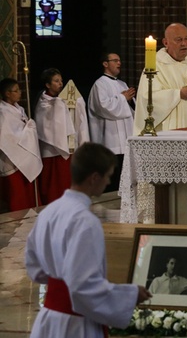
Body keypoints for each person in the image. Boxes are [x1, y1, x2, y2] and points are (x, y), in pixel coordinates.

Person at [25, 142, 152, 337]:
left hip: (48, 320)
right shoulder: (85, 222)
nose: (108, 182)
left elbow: (33, 266)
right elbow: (83, 287)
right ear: (94, 178)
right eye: (108, 176)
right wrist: (131, 294)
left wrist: (59, 284)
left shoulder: (48, 212)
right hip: (75, 325)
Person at [133, 23, 187, 134]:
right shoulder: (155, 67)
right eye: (179, 40)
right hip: (173, 129)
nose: (184, 44)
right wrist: (178, 94)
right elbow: (147, 98)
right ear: (166, 43)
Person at [34, 68, 89, 204]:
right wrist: (59, 105)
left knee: (63, 179)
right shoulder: (43, 101)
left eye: (61, 81)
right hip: (49, 147)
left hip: (65, 145)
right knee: (50, 181)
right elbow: (43, 123)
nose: (60, 83)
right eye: (56, 81)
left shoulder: (62, 100)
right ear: (48, 84)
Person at [88, 53, 135, 192]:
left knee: (126, 178)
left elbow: (130, 110)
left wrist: (130, 100)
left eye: (120, 60)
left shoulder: (122, 84)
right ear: (105, 64)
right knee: (112, 180)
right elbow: (104, 107)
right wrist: (123, 98)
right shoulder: (100, 84)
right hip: (111, 140)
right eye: (115, 60)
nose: (119, 63)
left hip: (125, 140)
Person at [0, 78, 42, 211]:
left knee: (28, 193)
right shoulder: (2, 112)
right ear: (7, 93)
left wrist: (30, 128)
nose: (20, 93)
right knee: (16, 195)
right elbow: (6, 137)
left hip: (24, 157)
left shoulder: (20, 109)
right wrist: (27, 130)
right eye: (16, 90)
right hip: (11, 159)